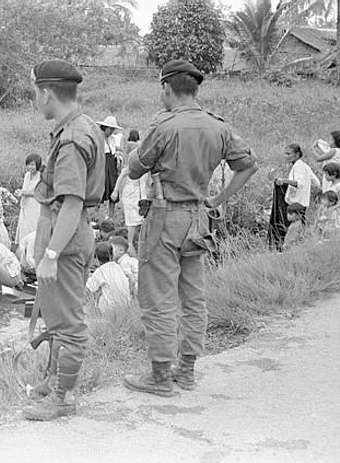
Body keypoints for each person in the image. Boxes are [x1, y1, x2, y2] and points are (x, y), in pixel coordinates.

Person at [123, 59, 258, 397]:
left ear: (166, 88)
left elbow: (136, 169)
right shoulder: (219, 127)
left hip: (165, 216)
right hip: (199, 217)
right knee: (193, 296)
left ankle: (158, 376)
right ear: (195, 90)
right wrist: (217, 198)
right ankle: (186, 371)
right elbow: (248, 165)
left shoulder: (164, 126)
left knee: (158, 298)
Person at [22, 60, 105, 421]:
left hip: (65, 236)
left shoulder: (72, 138)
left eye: (34, 94)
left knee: (69, 324)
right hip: (67, 231)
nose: (34, 101)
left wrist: (51, 253)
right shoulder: (80, 126)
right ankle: (54, 381)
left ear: (47, 93)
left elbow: (71, 202)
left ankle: (63, 398)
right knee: (57, 317)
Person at [112, 129, 148, 254]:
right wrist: (116, 191)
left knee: (138, 223)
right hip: (133, 196)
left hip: (136, 196)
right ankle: (131, 246)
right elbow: (123, 174)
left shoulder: (131, 148)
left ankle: (134, 245)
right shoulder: (137, 164)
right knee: (133, 224)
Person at [275, 143, 320, 225]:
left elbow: (300, 183)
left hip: (296, 203)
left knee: (294, 226)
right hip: (303, 202)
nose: (286, 156)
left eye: (289, 154)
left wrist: (284, 181)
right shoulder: (305, 166)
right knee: (300, 225)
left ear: (297, 154)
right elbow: (316, 183)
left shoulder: (298, 166)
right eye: (285, 154)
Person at [86, 242, 130, 313]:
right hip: (124, 307)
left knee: (93, 292)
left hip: (108, 310)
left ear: (96, 258)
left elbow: (89, 289)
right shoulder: (118, 267)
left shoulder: (101, 271)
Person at [96, 116, 123, 219]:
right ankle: (97, 215)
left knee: (112, 188)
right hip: (102, 164)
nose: (112, 131)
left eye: (113, 129)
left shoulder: (113, 139)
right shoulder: (98, 138)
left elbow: (116, 151)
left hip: (111, 165)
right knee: (100, 190)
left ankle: (110, 216)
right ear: (105, 127)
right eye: (110, 129)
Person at [15, 154, 43, 244]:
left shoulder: (41, 177)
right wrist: (20, 192)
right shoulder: (27, 175)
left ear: (37, 165)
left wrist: (24, 193)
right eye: (28, 164)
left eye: (32, 165)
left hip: (35, 206)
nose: (30, 167)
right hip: (25, 205)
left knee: (33, 228)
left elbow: (40, 193)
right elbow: (25, 189)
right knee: (24, 228)